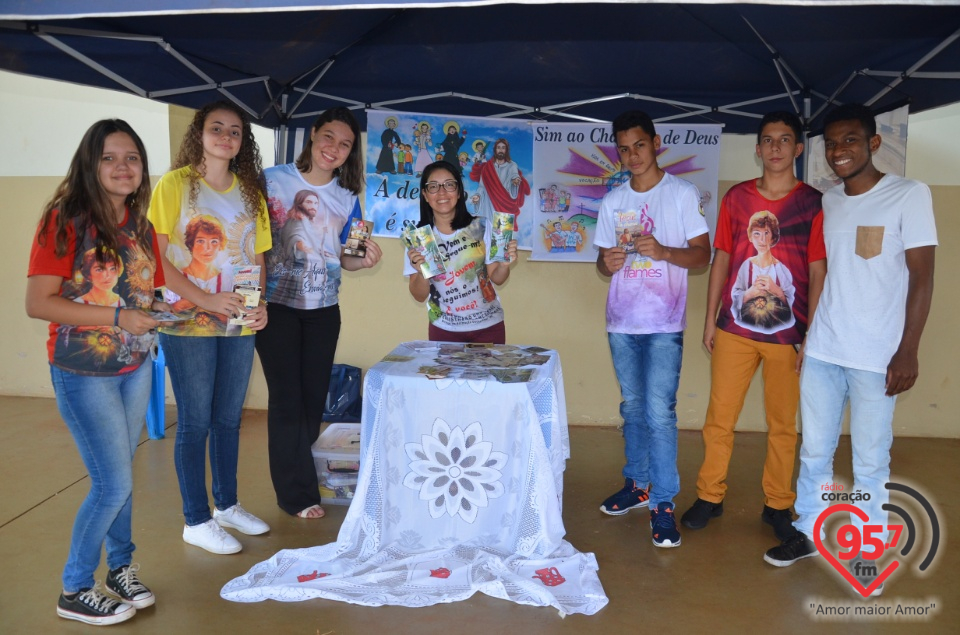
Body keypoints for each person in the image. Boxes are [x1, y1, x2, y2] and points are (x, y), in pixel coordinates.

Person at [763, 104, 937, 586]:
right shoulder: (831, 201)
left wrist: (908, 350)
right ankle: (807, 532)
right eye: (832, 143)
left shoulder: (909, 195)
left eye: (851, 141)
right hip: (823, 350)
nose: (840, 151)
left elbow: (923, 277)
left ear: (873, 143)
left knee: (869, 460)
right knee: (814, 451)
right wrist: (807, 339)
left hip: (876, 357)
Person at [27, 119, 165, 625]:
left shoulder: (141, 226)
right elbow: (38, 303)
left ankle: (120, 569)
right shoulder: (64, 219)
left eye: (132, 157)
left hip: (134, 367)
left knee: (121, 477)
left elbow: (153, 296)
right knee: (111, 483)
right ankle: (74, 588)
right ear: (90, 163)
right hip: (83, 371)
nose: (123, 167)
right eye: (109, 157)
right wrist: (116, 317)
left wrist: (218, 307)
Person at [679, 112, 825, 542]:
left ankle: (778, 504)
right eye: (768, 140)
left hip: (787, 338)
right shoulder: (737, 199)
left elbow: (817, 271)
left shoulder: (814, 203)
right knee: (719, 418)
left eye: (785, 140)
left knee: (783, 424)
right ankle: (710, 495)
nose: (776, 147)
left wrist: (811, 331)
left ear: (798, 149)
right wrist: (710, 319)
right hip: (733, 332)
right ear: (757, 149)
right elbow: (721, 258)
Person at [148, 101, 272, 555]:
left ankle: (227, 505)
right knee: (195, 421)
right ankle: (195, 520)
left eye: (235, 131)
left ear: (243, 142)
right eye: (217, 128)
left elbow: (256, 259)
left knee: (227, 418)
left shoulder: (251, 192)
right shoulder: (175, 185)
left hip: (238, 321)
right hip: (187, 321)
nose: (226, 136)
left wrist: (259, 308)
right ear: (199, 133)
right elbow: (158, 259)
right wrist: (206, 300)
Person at [257, 107, 382, 519]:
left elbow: (347, 258)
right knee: (287, 401)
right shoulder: (272, 181)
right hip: (276, 307)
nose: (335, 149)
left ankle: (301, 477)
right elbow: (250, 241)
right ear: (312, 135)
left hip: (324, 310)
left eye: (345, 144)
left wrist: (361, 262)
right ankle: (296, 494)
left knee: (312, 402)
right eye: (329, 137)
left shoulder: (348, 199)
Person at [594, 111, 710, 548]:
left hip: (663, 321)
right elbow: (602, 262)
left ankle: (663, 502)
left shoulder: (681, 194)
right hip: (622, 321)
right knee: (633, 408)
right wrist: (605, 262)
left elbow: (703, 255)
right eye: (623, 148)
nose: (632, 155)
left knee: (660, 413)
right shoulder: (613, 201)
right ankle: (637, 485)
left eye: (639, 145)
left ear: (656, 143)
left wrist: (663, 250)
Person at [406, 161, 517, 344]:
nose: (442, 192)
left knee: (488, 374)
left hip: (488, 327)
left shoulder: (480, 226)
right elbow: (419, 295)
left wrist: (504, 265)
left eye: (449, 185)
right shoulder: (419, 238)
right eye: (433, 187)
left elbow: (497, 278)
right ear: (425, 195)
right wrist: (421, 271)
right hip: (444, 330)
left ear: (458, 191)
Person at [469, 138, 531, 230]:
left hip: (504, 205)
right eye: (498, 147)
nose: (501, 150)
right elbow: (482, 187)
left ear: (506, 150)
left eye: (503, 148)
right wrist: (478, 196)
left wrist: (515, 182)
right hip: (489, 204)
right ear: (495, 150)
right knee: (486, 236)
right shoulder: (487, 168)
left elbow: (514, 175)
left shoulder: (511, 165)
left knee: (502, 239)